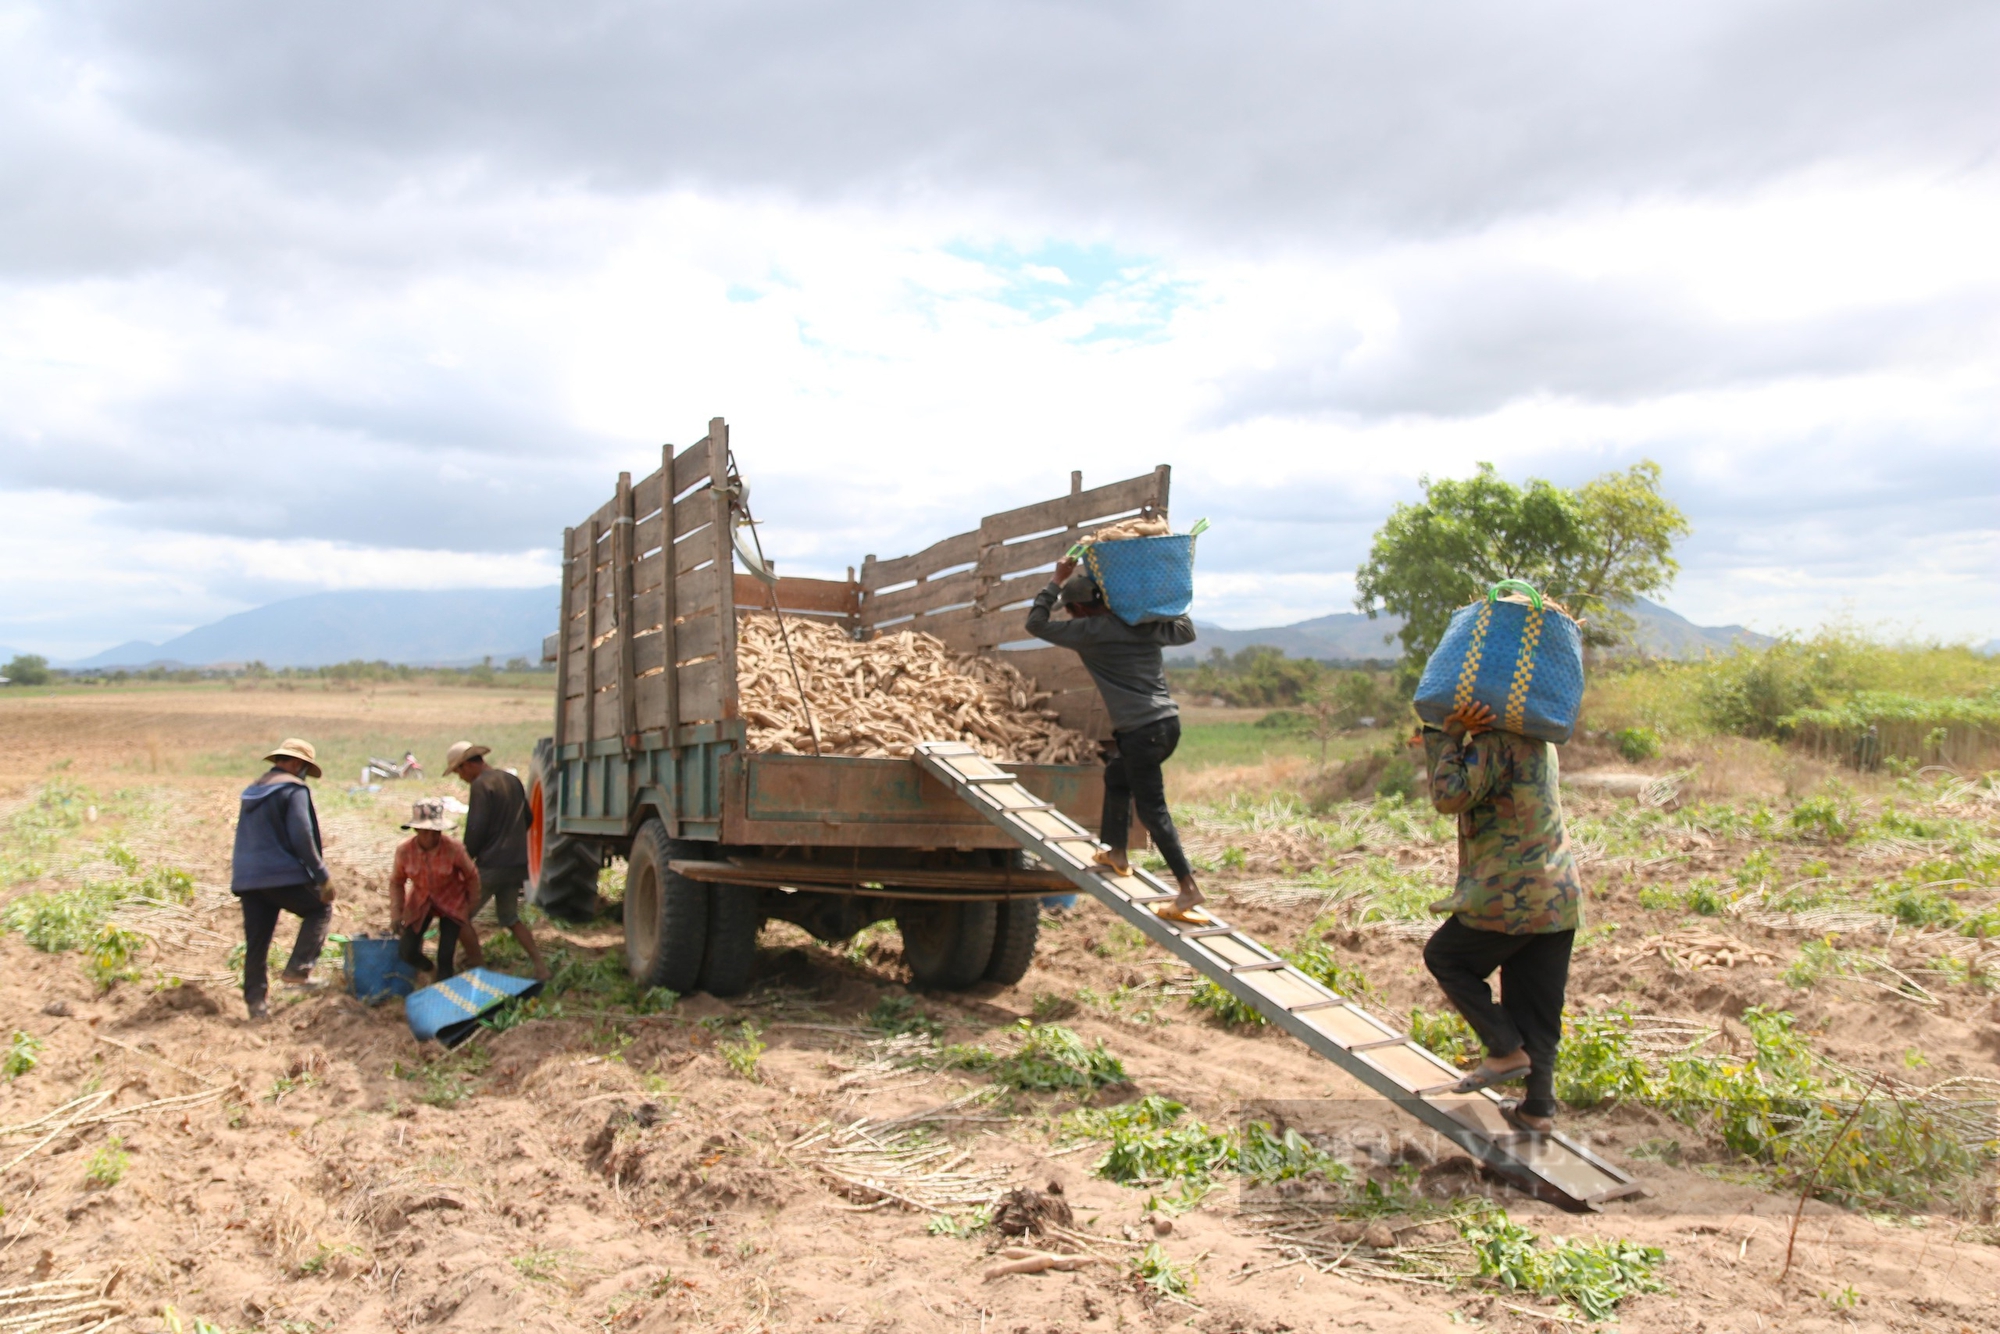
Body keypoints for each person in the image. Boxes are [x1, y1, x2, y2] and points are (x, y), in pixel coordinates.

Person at [1418, 701, 1583, 1134]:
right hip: (1557, 896)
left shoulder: (1496, 744)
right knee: (1537, 1008)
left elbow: (1449, 796)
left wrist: (1447, 738)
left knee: (1446, 957)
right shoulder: (1542, 743)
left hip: (1513, 896)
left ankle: (1504, 1048)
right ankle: (1537, 1112)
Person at [1025, 555, 1203, 920]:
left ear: (1077, 608)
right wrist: (1159, 598)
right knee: (1116, 775)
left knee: (1153, 811)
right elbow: (1186, 630)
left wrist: (1056, 579)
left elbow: (1035, 623)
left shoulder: (1087, 633)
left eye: (1070, 610)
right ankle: (1116, 851)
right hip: (1167, 725)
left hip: (1141, 732)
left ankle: (1188, 890)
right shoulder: (1140, 624)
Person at [229, 738, 335, 1020]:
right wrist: (321, 875)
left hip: (248, 878)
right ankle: (299, 968)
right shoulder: (293, 789)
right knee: (319, 908)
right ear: (299, 765)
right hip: (280, 874)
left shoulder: (253, 789)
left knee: (258, 941)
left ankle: (256, 1003)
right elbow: (302, 833)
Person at [445, 740, 548, 980]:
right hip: (517, 865)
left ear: (469, 765)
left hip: (492, 865)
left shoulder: (481, 785)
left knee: (458, 917)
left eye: (459, 771)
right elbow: (529, 817)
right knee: (510, 917)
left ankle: (478, 969)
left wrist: (465, 861)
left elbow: (476, 829)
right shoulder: (511, 780)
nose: (460, 777)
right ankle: (541, 966)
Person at [389, 798, 483, 982]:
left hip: (451, 900)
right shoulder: (404, 851)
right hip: (420, 900)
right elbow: (396, 882)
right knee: (407, 950)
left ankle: (444, 987)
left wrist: (470, 905)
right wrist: (396, 912)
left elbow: (472, 875)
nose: (432, 837)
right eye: (426, 832)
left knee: (445, 955)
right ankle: (429, 970)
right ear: (416, 830)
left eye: (435, 832)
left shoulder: (453, 848)